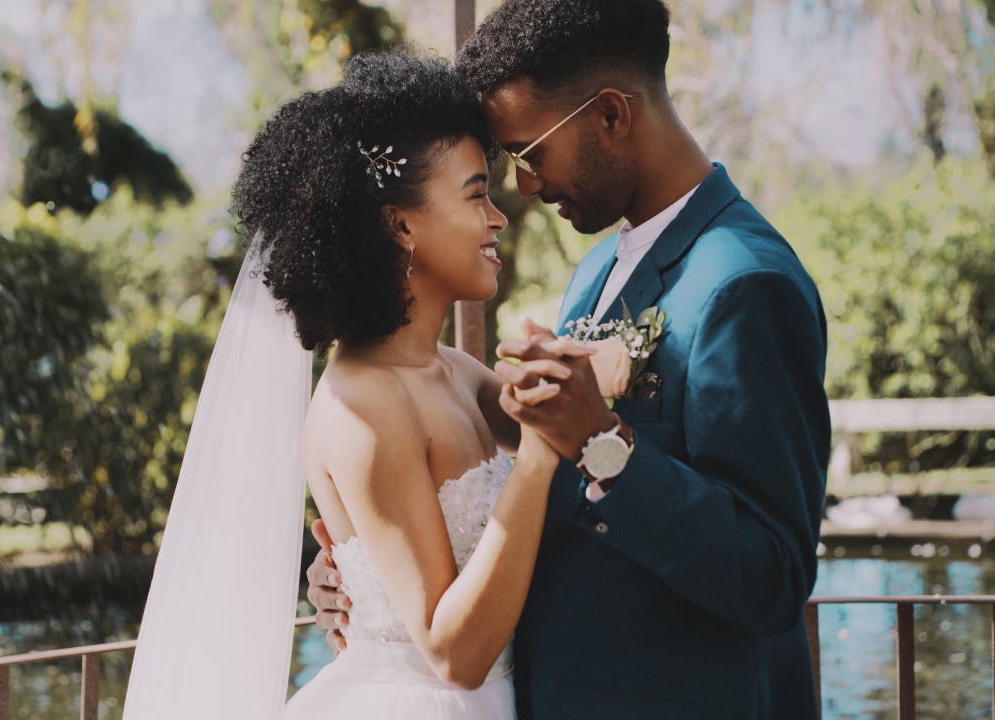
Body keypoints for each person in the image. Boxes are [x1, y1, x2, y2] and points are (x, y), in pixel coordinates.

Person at [306, 2, 832, 718]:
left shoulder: (745, 284)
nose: (524, 187)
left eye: (530, 153)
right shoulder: (594, 272)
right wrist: (369, 576)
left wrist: (602, 443)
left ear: (611, 114)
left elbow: (773, 576)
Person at [124, 49, 580, 720]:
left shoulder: (456, 372)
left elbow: (577, 435)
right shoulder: (361, 406)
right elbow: (453, 655)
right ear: (400, 225)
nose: (498, 218)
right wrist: (534, 461)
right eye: (476, 193)